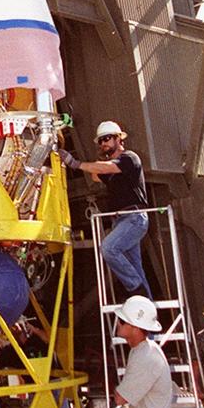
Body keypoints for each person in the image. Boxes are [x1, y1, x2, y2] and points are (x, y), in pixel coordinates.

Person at [59, 120, 152, 299]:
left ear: (119, 139)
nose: (103, 143)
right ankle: (145, 308)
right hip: (121, 221)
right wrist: (102, 156)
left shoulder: (129, 158)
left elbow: (106, 168)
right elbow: (96, 175)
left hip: (133, 218)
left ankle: (136, 289)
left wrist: (75, 163)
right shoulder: (111, 169)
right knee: (136, 268)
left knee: (109, 248)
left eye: (107, 139)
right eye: (100, 141)